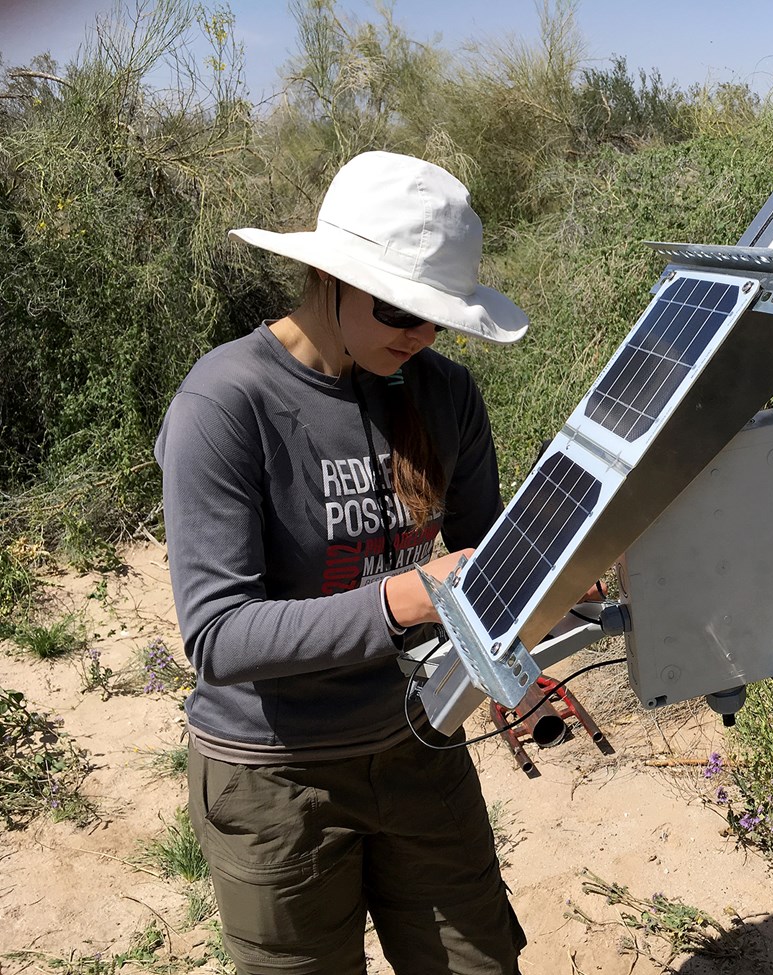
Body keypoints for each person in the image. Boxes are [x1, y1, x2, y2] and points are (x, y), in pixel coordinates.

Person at [155, 150, 529, 975]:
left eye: (440, 318)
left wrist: (536, 643)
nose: (420, 336)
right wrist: (406, 599)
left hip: (418, 742)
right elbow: (218, 636)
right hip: (274, 779)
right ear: (328, 278)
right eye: (400, 310)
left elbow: (486, 557)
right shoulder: (226, 404)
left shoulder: (446, 395)